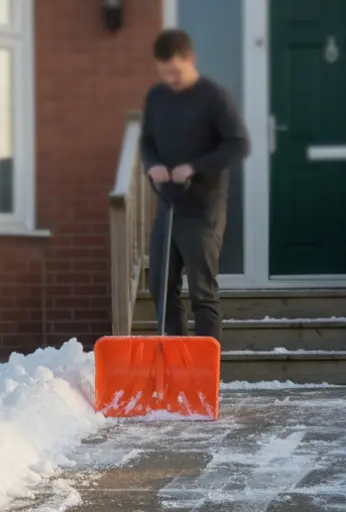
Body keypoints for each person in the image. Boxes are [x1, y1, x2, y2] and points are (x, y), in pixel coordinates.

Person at [139, 28, 250, 343]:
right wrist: (154, 165)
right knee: (162, 289)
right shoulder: (157, 97)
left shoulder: (214, 97)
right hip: (168, 205)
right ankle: (175, 369)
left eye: (175, 71)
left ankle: (206, 376)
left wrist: (195, 167)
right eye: (164, 73)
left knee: (202, 291)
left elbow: (238, 144)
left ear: (191, 59)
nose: (171, 79)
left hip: (203, 210)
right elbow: (147, 142)